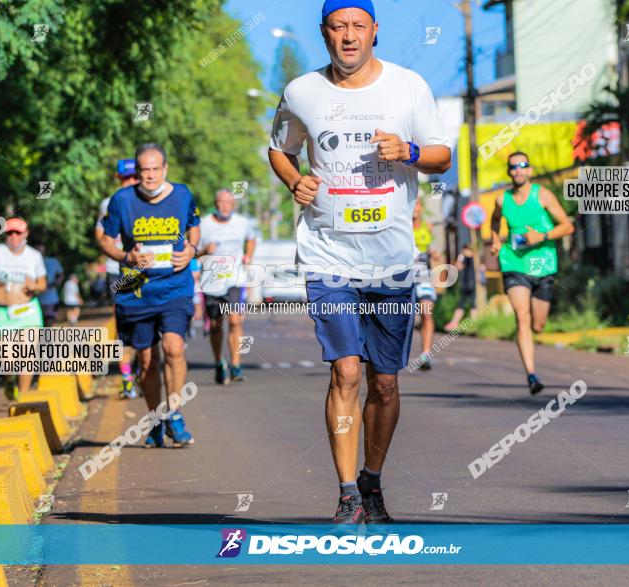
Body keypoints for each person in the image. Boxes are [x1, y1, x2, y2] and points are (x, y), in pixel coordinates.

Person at [268, 0, 451, 524]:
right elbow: (281, 148)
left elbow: (442, 155)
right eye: (338, 27)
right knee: (345, 371)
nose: (348, 36)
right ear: (324, 33)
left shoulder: (408, 86)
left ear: (375, 31)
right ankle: (347, 492)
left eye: (358, 26)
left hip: (391, 259)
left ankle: (372, 480)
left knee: (384, 381)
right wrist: (293, 179)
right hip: (328, 255)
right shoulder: (301, 91)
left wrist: (409, 151)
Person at [99, 143, 200, 447]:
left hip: (174, 286)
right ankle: (156, 419)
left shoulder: (182, 195)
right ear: (138, 171)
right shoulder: (122, 200)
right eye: (145, 170)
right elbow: (105, 240)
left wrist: (191, 251)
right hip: (137, 292)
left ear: (165, 169)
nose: (151, 175)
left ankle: (176, 414)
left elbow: (194, 227)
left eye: (156, 169)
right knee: (146, 361)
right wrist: (125, 256)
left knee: (173, 347)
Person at [490, 151, 574, 395]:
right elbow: (494, 221)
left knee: (538, 324)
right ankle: (532, 375)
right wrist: (496, 240)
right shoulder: (501, 199)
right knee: (522, 317)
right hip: (514, 262)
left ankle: (533, 356)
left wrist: (542, 236)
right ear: (509, 171)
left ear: (530, 170)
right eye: (513, 167)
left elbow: (568, 225)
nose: (518, 170)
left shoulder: (543, 195)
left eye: (522, 166)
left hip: (542, 263)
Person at [0, 216, 47, 399]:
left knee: (27, 356)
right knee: (8, 359)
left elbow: (43, 283)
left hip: (28, 311)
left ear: (26, 233)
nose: (14, 237)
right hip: (3, 312)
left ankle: (23, 398)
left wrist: (35, 286)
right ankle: (9, 379)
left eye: (18, 232)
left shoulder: (34, 256)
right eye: (10, 233)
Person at [198, 189, 257, 385]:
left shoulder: (242, 223)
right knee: (216, 325)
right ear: (216, 204)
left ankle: (236, 364)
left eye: (229, 203)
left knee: (235, 321)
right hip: (212, 281)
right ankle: (218, 362)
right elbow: (193, 250)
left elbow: (251, 239)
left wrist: (248, 256)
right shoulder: (204, 224)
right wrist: (206, 250)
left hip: (235, 279)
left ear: (234, 205)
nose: (225, 206)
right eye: (221, 202)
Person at [95, 159, 140, 398]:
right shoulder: (109, 203)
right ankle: (126, 378)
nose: (130, 182)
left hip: (147, 269)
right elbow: (100, 236)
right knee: (125, 322)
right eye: (125, 178)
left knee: (148, 320)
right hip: (118, 268)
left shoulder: (149, 199)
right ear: (118, 179)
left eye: (134, 177)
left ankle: (143, 369)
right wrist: (122, 254)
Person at [411, 199, 436, 370]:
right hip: (402, 273)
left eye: (418, 204)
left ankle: (426, 354)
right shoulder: (401, 225)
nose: (415, 208)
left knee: (426, 311)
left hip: (424, 273)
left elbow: (433, 250)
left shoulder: (428, 226)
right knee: (405, 316)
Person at [443, 243, 477, 331]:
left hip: (466, 283)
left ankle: (455, 323)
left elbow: (458, 266)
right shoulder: (473, 256)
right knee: (471, 303)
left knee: (463, 303)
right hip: (471, 282)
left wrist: (460, 256)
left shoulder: (463, 256)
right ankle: (474, 323)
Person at [34, 240, 63, 327]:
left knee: (49, 324)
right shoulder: (29, 262)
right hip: (34, 301)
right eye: (37, 250)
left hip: (51, 300)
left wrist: (55, 283)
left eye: (40, 249)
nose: (39, 251)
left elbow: (61, 275)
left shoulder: (53, 261)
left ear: (44, 250)